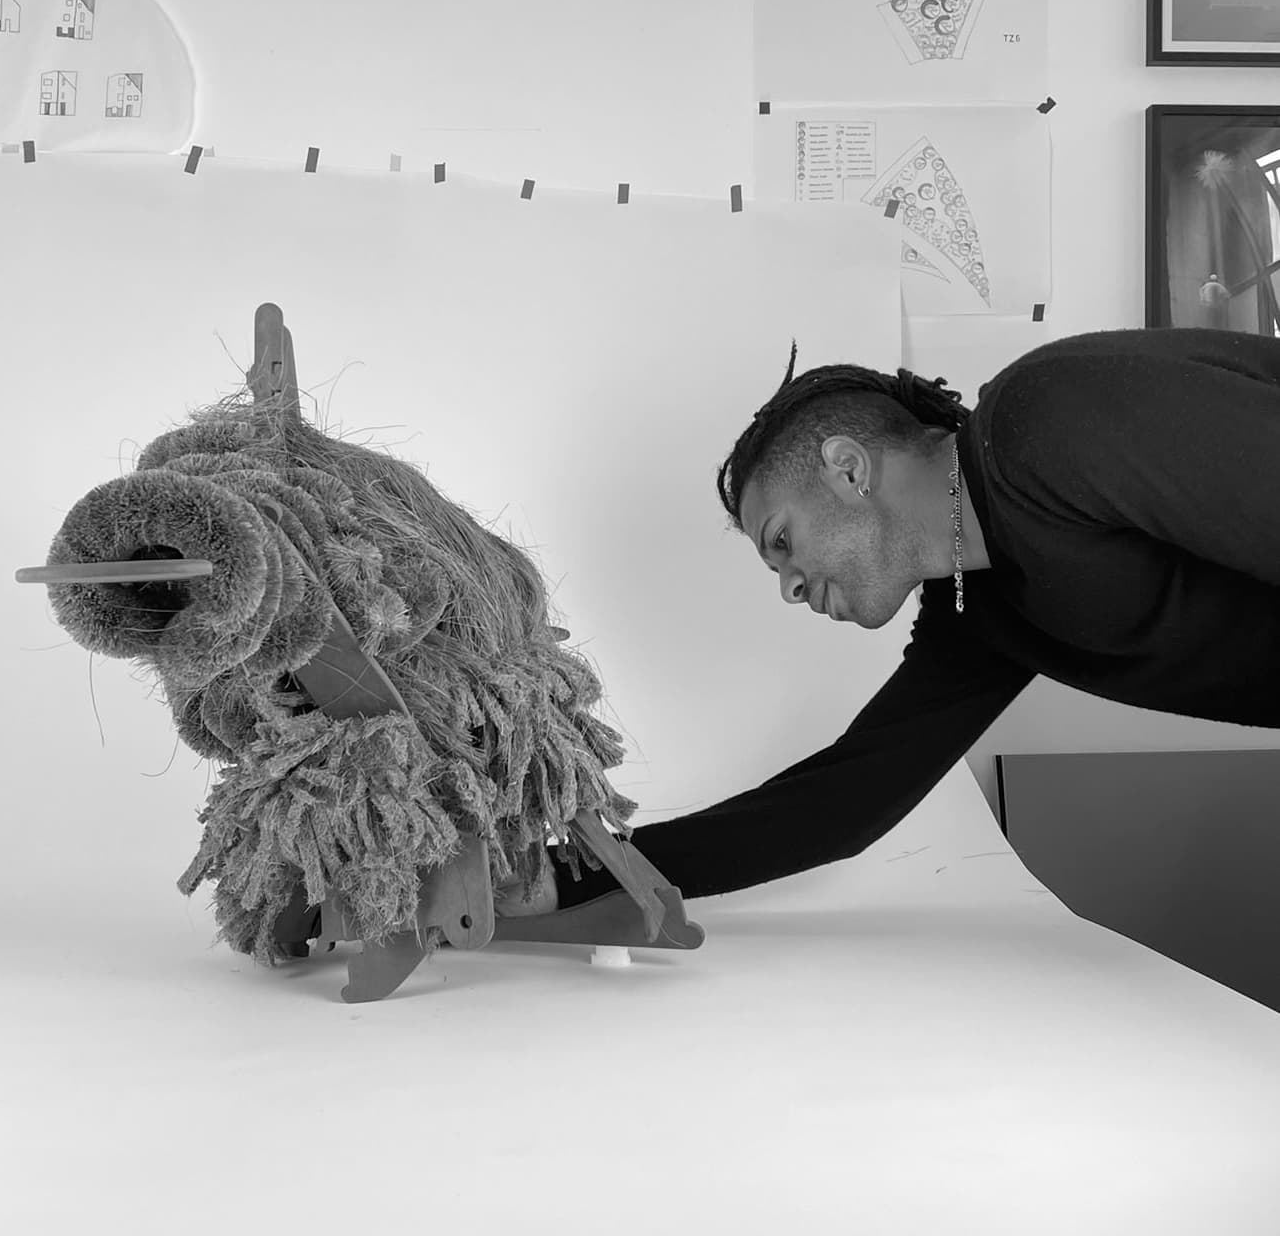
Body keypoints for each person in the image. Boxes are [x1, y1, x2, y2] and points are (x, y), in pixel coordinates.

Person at [505, 323, 1280, 917]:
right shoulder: (980, 604)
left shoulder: (1045, 421)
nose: (790, 589)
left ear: (848, 469)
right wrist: (562, 878)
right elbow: (843, 803)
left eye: (783, 542)